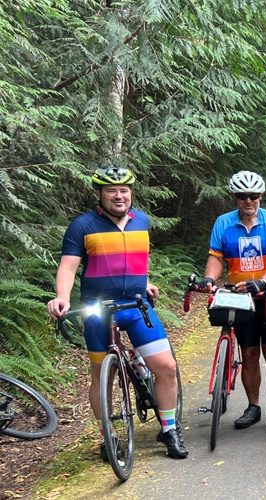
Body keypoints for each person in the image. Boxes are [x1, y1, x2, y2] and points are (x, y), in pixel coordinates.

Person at [47, 166, 188, 459]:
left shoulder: (142, 221)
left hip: (136, 308)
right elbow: (68, 267)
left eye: (124, 190)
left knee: (166, 367)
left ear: (131, 193)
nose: (119, 196)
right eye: (111, 190)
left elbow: (130, 260)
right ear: (99, 194)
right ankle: (107, 437)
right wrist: (62, 297)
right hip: (98, 311)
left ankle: (169, 429)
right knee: (102, 375)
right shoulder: (82, 226)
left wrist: (144, 281)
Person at [199, 171, 266, 433]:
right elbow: (216, 257)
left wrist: (263, 280)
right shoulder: (223, 223)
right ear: (234, 197)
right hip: (240, 297)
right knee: (248, 353)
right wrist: (209, 279)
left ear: (261, 196)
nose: (248, 201)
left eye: (253, 196)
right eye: (242, 196)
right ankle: (253, 406)